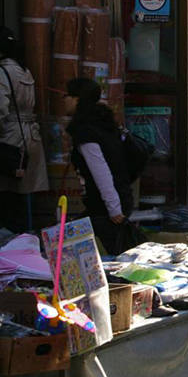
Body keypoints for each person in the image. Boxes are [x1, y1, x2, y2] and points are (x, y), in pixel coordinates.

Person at [63, 78, 136, 256]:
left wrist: (114, 208)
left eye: (67, 95)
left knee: (117, 255)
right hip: (113, 200)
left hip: (108, 205)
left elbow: (100, 170)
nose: (63, 99)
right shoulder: (103, 124)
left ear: (77, 99)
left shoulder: (86, 131)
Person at [0, 29, 47, 232]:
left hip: (10, 136)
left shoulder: (2, 72)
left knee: (7, 193)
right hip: (30, 135)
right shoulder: (24, 70)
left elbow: (0, 108)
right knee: (22, 193)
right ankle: (23, 238)